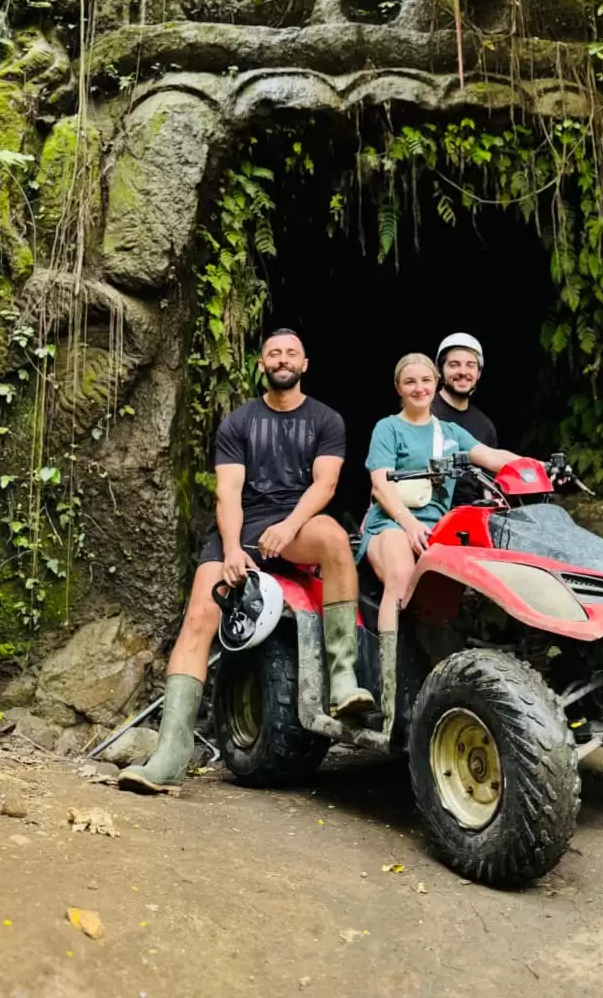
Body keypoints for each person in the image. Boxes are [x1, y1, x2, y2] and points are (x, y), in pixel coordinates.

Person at [119, 328, 374, 796]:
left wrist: (291, 525)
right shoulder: (238, 422)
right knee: (198, 618)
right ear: (262, 364)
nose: (282, 359)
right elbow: (228, 493)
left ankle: (342, 679)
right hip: (244, 526)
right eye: (274, 353)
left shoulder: (326, 420)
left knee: (336, 538)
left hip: (298, 523)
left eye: (291, 353)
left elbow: (326, 487)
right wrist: (234, 549)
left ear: (305, 363)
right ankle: (169, 757)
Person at [359, 352, 519, 720]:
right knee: (399, 577)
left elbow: (493, 457)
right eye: (411, 382)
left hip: (439, 528)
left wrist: (538, 467)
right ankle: (389, 691)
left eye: (425, 381)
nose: (419, 388)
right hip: (391, 523)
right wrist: (408, 522)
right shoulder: (388, 428)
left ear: (436, 384)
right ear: (399, 387)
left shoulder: (449, 432)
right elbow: (380, 485)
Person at [434, 332, 498, 508]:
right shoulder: (423, 413)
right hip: (430, 516)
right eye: (454, 365)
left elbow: (488, 485)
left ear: (478, 373)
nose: (463, 372)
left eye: (470, 365)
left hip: (472, 517)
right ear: (440, 370)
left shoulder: (485, 425)